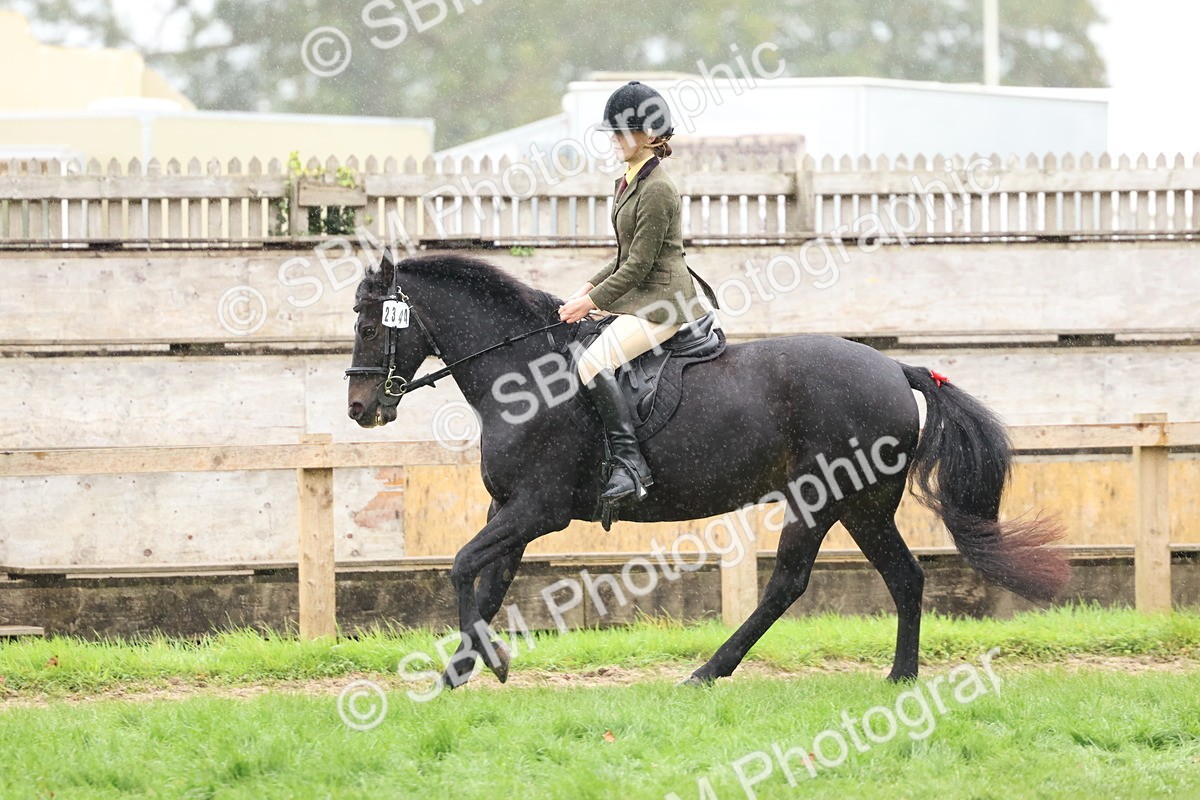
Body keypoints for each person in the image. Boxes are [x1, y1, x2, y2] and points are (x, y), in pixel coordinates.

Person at [558, 80, 712, 506]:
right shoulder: (629, 181)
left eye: (622, 133)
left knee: (592, 361)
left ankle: (632, 466)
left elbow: (640, 265)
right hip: (642, 298)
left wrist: (593, 302)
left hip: (665, 305)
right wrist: (586, 289)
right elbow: (623, 256)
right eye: (613, 132)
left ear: (650, 136)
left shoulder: (659, 189)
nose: (614, 141)